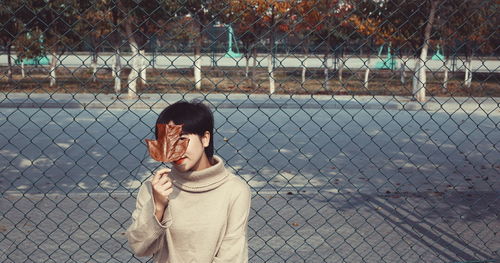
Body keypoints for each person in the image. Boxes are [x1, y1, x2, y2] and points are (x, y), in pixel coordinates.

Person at [126, 101, 251, 262]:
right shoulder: (156, 187)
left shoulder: (235, 190)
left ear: (205, 139)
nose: (174, 150)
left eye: (182, 138)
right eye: (167, 142)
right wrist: (158, 207)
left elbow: (232, 256)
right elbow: (140, 247)